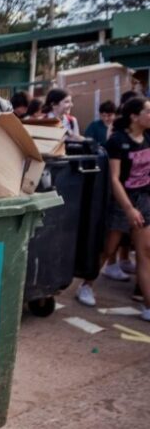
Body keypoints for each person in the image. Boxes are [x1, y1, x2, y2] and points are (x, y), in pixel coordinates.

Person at [75, 97, 150, 322]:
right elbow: (114, 179)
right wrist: (128, 208)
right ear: (134, 116)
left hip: (144, 201)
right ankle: (86, 285)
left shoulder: (148, 137)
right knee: (108, 250)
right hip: (120, 203)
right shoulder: (117, 141)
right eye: (148, 111)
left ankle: (148, 305)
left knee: (145, 253)